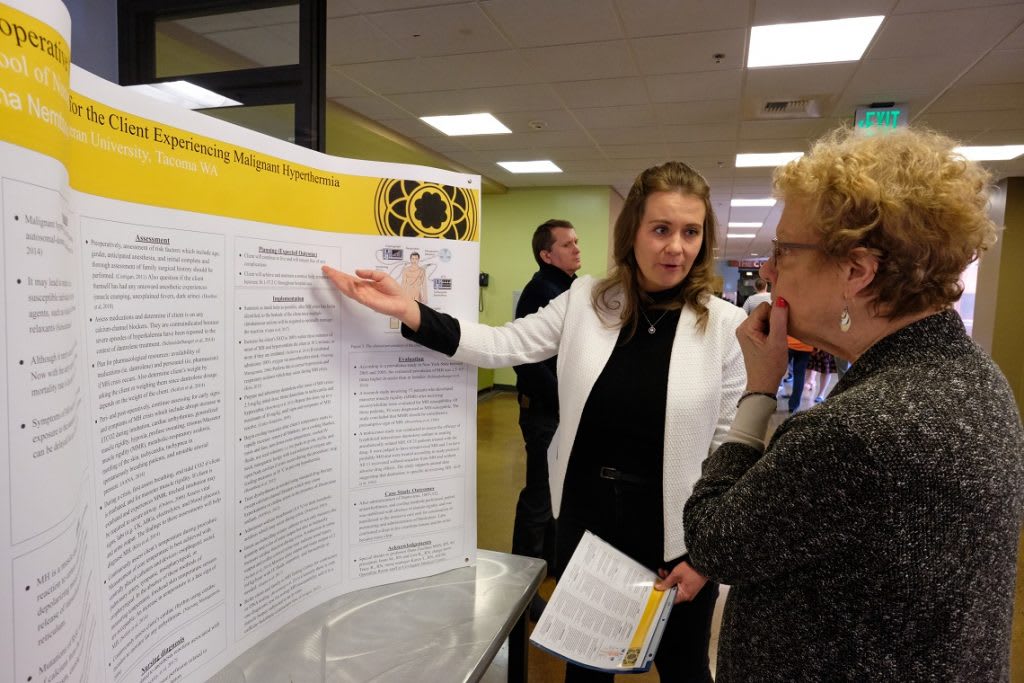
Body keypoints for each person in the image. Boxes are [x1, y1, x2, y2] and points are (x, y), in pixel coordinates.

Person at [323, 161, 746, 683]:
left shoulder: (725, 327)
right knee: (586, 670)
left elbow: (730, 453)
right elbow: (504, 343)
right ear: (632, 232)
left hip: (673, 536)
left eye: (690, 232)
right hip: (588, 522)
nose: (676, 247)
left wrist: (705, 555)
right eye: (661, 229)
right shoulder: (587, 302)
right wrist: (413, 311)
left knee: (684, 670)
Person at [679, 126, 1024, 681]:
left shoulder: (856, 432)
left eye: (784, 250)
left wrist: (758, 392)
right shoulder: (973, 375)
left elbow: (715, 541)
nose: (769, 271)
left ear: (857, 272)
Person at [510, 218, 581, 620]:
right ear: (546, 254)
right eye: (567, 244)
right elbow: (527, 360)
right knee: (539, 496)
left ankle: (550, 563)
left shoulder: (570, 289)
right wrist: (565, 395)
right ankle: (523, 585)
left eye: (576, 242)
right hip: (544, 411)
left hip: (562, 410)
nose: (576, 248)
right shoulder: (542, 292)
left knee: (559, 491)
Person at [784, 334, 812, 412]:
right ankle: (793, 405)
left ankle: (771, 400)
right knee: (800, 375)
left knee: (777, 373)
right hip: (806, 346)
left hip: (788, 343)